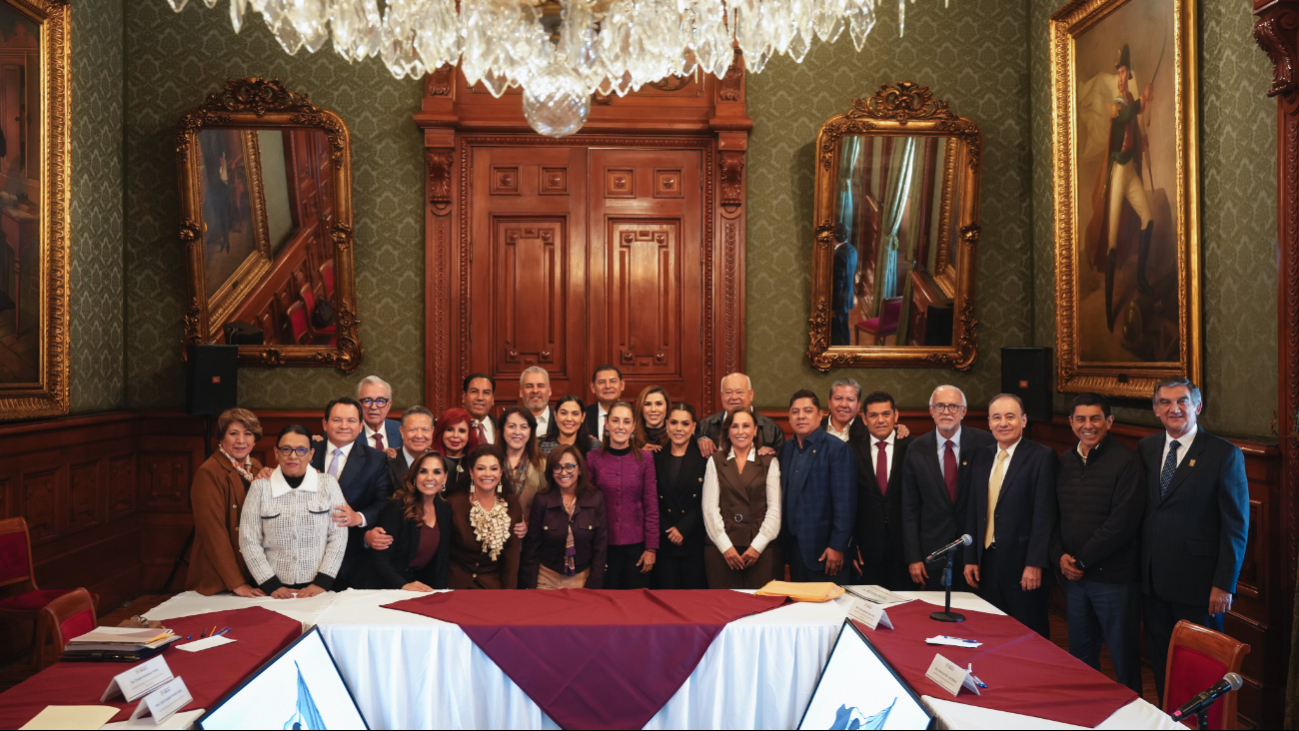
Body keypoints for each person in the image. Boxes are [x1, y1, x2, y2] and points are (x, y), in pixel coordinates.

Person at [1139, 378, 1248, 702]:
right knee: (1162, 661)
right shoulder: (1146, 448)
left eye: (1182, 401)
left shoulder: (1223, 454)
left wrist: (1224, 584)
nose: (1174, 408)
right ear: (1156, 409)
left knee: (1202, 668)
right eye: (1166, 402)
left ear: (1197, 406)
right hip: (1152, 581)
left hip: (1200, 586)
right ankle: (1168, 718)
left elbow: (1236, 526)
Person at [1051, 393, 1144, 695]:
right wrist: (1060, 556)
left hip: (1114, 581)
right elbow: (1051, 517)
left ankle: (1133, 719)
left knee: (1123, 658)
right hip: (1075, 582)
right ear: (1071, 422)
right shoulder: (1063, 462)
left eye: (1095, 419)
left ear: (1109, 422)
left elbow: (1122, 523)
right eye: (1081, 419)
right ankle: (1089, 713)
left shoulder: (1128, 461)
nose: (1087, 425)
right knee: (1082, 655)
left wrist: (1081, 561)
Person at [964, 394, 1057, 638]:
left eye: (1010, 416)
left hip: (1023, 565)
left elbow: (1044, 514)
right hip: (986, 562)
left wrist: (1035, 563)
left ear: (1024, 420)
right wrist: (971, 557)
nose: (1003, 423)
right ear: (989, 422)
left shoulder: (1041, 456)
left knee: (1028, 634)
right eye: (997, 417)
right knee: (991, 633)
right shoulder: (982, 456)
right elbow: (974, 510)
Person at [900, 385, 995, 590]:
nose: (946, 412)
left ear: (964, 411)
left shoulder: (985, 443)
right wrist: (914, 557)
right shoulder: (915, 449)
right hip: (933, 551)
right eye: (940, 406)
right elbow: (909, 509)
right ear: (931, 411)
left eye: (953, 406)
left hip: (975, 550)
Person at [240, 425, 347, 598]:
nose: (293, 456)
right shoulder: (259, 488)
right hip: (271, 590)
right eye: (286, 449)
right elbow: (248, 540)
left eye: (301, 450)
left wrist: (322, 583)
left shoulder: (328, 484)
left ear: (311, 454)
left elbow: (338, 537)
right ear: (276, 452)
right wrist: (271, 585)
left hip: (319, 589)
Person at [310, 397, 393, 590]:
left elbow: (384, 501)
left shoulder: (376, 459)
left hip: (352, 557)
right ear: (325, 423)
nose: (344, 426)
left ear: (361, 425)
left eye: (351, 420)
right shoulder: (308, 453)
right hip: (306, 554)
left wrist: (359, 517)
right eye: (337, 420)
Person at [779, 389, 856, 583]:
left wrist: (838, 546)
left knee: (831, 610)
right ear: (789, 417)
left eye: (807, 410)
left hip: (826, 551)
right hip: (794, 548)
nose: (801, 416)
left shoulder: (837, 449)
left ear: (820, 414)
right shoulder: (786, 450)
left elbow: (845, 503)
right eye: (795, 412)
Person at [187, 408, 265, 597]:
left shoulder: (255, 466)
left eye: (248, 434)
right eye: (233, 433)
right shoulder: (209, 472)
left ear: (255, 440)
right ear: (221, 439)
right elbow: (213, 533)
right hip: (220, 578)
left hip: (251, 570)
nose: (241, 440)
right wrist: (236, 583)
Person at [702, 408, 782, 589]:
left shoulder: (769, 461)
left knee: (761, 609)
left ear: (755, 430)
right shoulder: (715, 460)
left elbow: (775, 510)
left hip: (761, 547)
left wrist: (757, 547)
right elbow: (709, 509)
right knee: (724, 608)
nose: (740, 431)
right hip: (722, 547)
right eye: (735, 426)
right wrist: (726, 548)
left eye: (746, 426)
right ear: (727, 431)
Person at [587, 401, 659, 589]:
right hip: (603, 544)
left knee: (636, 605)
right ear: (607, 424)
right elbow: (588, 506)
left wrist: (651, 548)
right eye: (616, 420)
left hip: (636, 546)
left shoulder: (645, 459)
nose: (620, 426)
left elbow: (651, 505)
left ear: (633, 426)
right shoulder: (592, 458)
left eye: (626, 421)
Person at [356, 452, 452, 591]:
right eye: (423, 471)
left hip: (418, 588)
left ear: (445, 478)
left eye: (437, 472)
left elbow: (442, 560)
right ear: (414, 477)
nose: (430, 477)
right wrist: (402, 585)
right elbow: (380, 559)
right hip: (381, 586)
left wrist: (440, 593)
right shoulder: (397, 506)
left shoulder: (444, 509)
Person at [520, 445, 608, 589]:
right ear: (551, 472)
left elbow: (600, 546)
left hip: (582, 578)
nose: (563, 472)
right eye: (557, 467)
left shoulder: (595, 498)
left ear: (579, 469)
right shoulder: (542, 499)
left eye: (570, 466)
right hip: (547, 577)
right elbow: (533, 546)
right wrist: (529, 584)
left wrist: (594, 584)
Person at [851, 392, 913, 590]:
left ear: (896, 415)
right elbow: (846, 502)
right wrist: (850, 545)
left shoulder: (913, 447)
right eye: (873, 415)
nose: (880, 420)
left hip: (905, 547)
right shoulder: (850, 450)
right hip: (866, 549)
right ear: (864, 419)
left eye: (886, 414)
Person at [445, 445, 523, 589]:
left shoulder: (511, 503)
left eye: (493, 469)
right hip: (455, 584)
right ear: (471, 472)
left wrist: (510, 593)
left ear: (501, 473)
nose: (488, 474)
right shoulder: (454, 502)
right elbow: (442, 550)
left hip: (493, 586)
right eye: (481, 468)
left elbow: (511, 556)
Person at [653, 403, 708, 589]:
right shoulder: (655, 458)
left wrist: (683, 529)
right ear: (667, 424)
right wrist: (669, 530)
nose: (679, 428)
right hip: (665, 539)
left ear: (693, 427)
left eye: (685, 424)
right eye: (674, 422)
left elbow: (707, 502)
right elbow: (651, 501)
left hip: (694, 540)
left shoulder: (705, 459)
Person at [697, 373, 786, 457]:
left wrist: (773, 455)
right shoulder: (704, 426)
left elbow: (782, 463)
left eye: (739, 392)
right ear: (721, 395)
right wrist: (699, 441)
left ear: (751, 394)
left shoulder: (772, 429)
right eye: (728, 392)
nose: (734, 397)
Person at [499, 406, 545, 533]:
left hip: (532, 538)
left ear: (531, 431)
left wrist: (529, 525)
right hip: (494, 535)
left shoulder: (542, 465)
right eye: (512, 426)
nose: (517, 432)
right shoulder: (491, 461)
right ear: (503, 429)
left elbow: (549, 508)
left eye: (524, 427)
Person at [387, 406, 436, 487]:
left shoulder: (445, 465)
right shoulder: (386, 465)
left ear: (432, 431)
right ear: (402, 432)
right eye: (413, 429)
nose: (419, 435)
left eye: (425, 430)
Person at [431, 407, 480, 484]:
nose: (455, 435)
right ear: (441, 432)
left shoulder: (476, 462)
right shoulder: (428, 459)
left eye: (462, 431)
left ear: (469, 435)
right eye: (449, 429)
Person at [357, 375, 402, 453]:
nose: (374, 407)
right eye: (367, 401)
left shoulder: (400, 430)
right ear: (359, 405)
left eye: (380, 401)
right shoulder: (350, 432)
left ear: (389, 405)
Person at [831, 223, 857, 346]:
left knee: (837, 332)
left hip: (840, 300)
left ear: (833, 237)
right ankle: (847, 350)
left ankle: (841, 356)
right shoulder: (852, 249)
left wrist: (833, 308)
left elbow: (838, 284)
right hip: (848, 297)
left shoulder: (838, 256)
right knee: (844, 328)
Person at [585, 365, 625, 440]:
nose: (608, 386)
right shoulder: (583, 416)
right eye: (601, 382)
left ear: (622, 385)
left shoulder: (636, 416)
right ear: (593, 387)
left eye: (613, 381)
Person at [462, 373, 499, 446]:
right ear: (464, 397)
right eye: (474, 391)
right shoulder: (451, 427)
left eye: (486, 393)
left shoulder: (501, 427)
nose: (480, 398)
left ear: (492, 399)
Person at [633, 385, 670, 451]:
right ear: (641, 407)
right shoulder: (631, 436)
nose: (653, 409)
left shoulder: (675, 436)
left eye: (659, 404)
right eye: (647, 404)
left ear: (667, 406)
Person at [520, 366, 554, 437]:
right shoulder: (511, 422)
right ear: (521, 392)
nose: (535, 391)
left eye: (540, 386)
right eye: (529, 386)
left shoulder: (560, 421)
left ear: (549, 391)